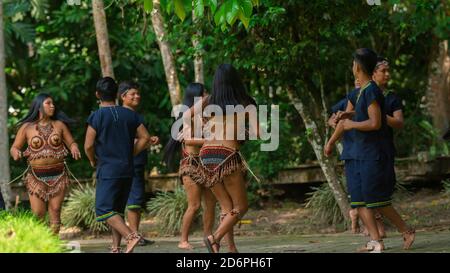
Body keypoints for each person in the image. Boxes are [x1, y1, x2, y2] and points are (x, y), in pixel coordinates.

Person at [184, 64, 259, 253]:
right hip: (227, 156)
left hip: (206, 155)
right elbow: (258, 133)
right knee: (241, 207)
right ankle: (214, 238)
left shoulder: (209, 100)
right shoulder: (246, 102)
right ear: (236, 80)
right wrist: (242, 132)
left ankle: (231, 248)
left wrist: (205, 124)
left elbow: (186, 115)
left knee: (227, 207)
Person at [163, 83, 237, 251]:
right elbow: (188, 140)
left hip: (206, 164)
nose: (207, 96)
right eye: (204, 93)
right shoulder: (189, 117)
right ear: (196, 97)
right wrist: (212, 140)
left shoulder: (205, 116)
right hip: (191, 166)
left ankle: (208, 237)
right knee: (194, 205)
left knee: (210, 204)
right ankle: (183, 240)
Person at [84, 77, 150, 253]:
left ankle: (131, 236)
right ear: (116, 95)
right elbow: (145, 137)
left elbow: (88, 145)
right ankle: (116, 248)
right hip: (127, 169)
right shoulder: (130, 114)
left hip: (108, 169)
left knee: (103, 209)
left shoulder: (96, 116)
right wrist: (132, 152)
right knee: (117, 210)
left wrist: (92, 159)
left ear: (98, 94)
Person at [10, 93, 81, 234]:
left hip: (59, 175)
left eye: (53, 103)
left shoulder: (59, 125)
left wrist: (74, 147)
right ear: (39, 106)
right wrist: (16, 153)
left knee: (55, 211)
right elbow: (14, 147)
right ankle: (41, 245)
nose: (52, 106)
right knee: (38, 213)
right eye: (48, 103)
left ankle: (53, 244)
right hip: (36, 177)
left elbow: (71, 142)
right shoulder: (26, 128)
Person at [118, 81, 159, 247]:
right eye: (132, 94)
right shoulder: (122, 115)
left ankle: (134, 235)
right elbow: (121, 141)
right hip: (130, 163)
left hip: (136, 163)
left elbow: (137, 139)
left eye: (137, 93)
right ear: (123, 97)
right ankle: (132, 236)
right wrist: (143, 140)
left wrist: (148, 140)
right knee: (133, 200)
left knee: (134, 199)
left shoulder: (133, 115)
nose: (137, 96)